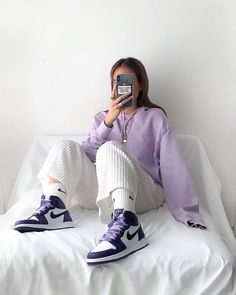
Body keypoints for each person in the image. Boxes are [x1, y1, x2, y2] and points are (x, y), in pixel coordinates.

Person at [13, 57, 206, 264]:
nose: (121, 85)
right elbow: (84, 157)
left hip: (145, 193)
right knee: (65, 145)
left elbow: (172, 164)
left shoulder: (155, 117)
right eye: (116, 81)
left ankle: (128, 225)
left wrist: (187, 212)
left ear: (140, 85)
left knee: (110, 148)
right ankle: (54, 208)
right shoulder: (101, 119)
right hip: (105, 193)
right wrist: (108, 121)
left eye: (127, 80)